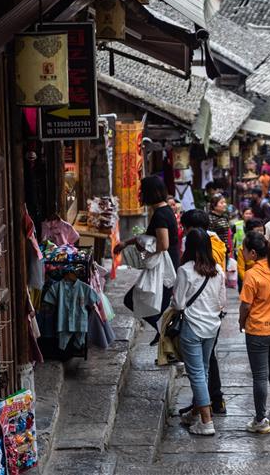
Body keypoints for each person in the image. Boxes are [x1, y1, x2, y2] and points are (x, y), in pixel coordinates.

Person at [113, 176, 179, 344]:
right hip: (165, 265)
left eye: (142, 192)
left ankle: (166, 334)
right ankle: (165, 335)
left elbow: (163, 244)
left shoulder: (160, 215)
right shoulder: (163, 211)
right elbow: (151, 238)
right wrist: (127, 243)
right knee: (154, 304)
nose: (139, 195)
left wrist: (143, 249)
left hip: (164, 267)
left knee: (135, 300)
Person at [174, 228, 226, 436]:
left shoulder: (185, 270)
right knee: (202, 371)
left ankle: (206, 421)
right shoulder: (218, 270)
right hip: (212, 327)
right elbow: (222, 303)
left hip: (192, 327)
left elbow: (178, 303)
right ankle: (195, 414)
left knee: (196, 374)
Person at [239, 231, 270, 434]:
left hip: (258, 330)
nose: (241, 252)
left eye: (243, 249)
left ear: (252, 253)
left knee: (260, 376)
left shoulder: (252, 275)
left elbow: (245, 305)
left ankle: (261, 420)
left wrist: (241, 321)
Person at [236, 218, 265, 289]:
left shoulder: (266, 246)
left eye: (262, 231)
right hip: (249, 282)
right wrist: (248, 280)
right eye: (258, 231)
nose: (261, 233)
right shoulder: (243, 249)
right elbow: (241, 268)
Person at [208, 193, 231, 260]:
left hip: (225, 249)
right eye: (221, 203)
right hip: (215, 250)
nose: (224, 205)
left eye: (225, 202)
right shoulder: (209, 218)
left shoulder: (225, 217)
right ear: (214, 205)